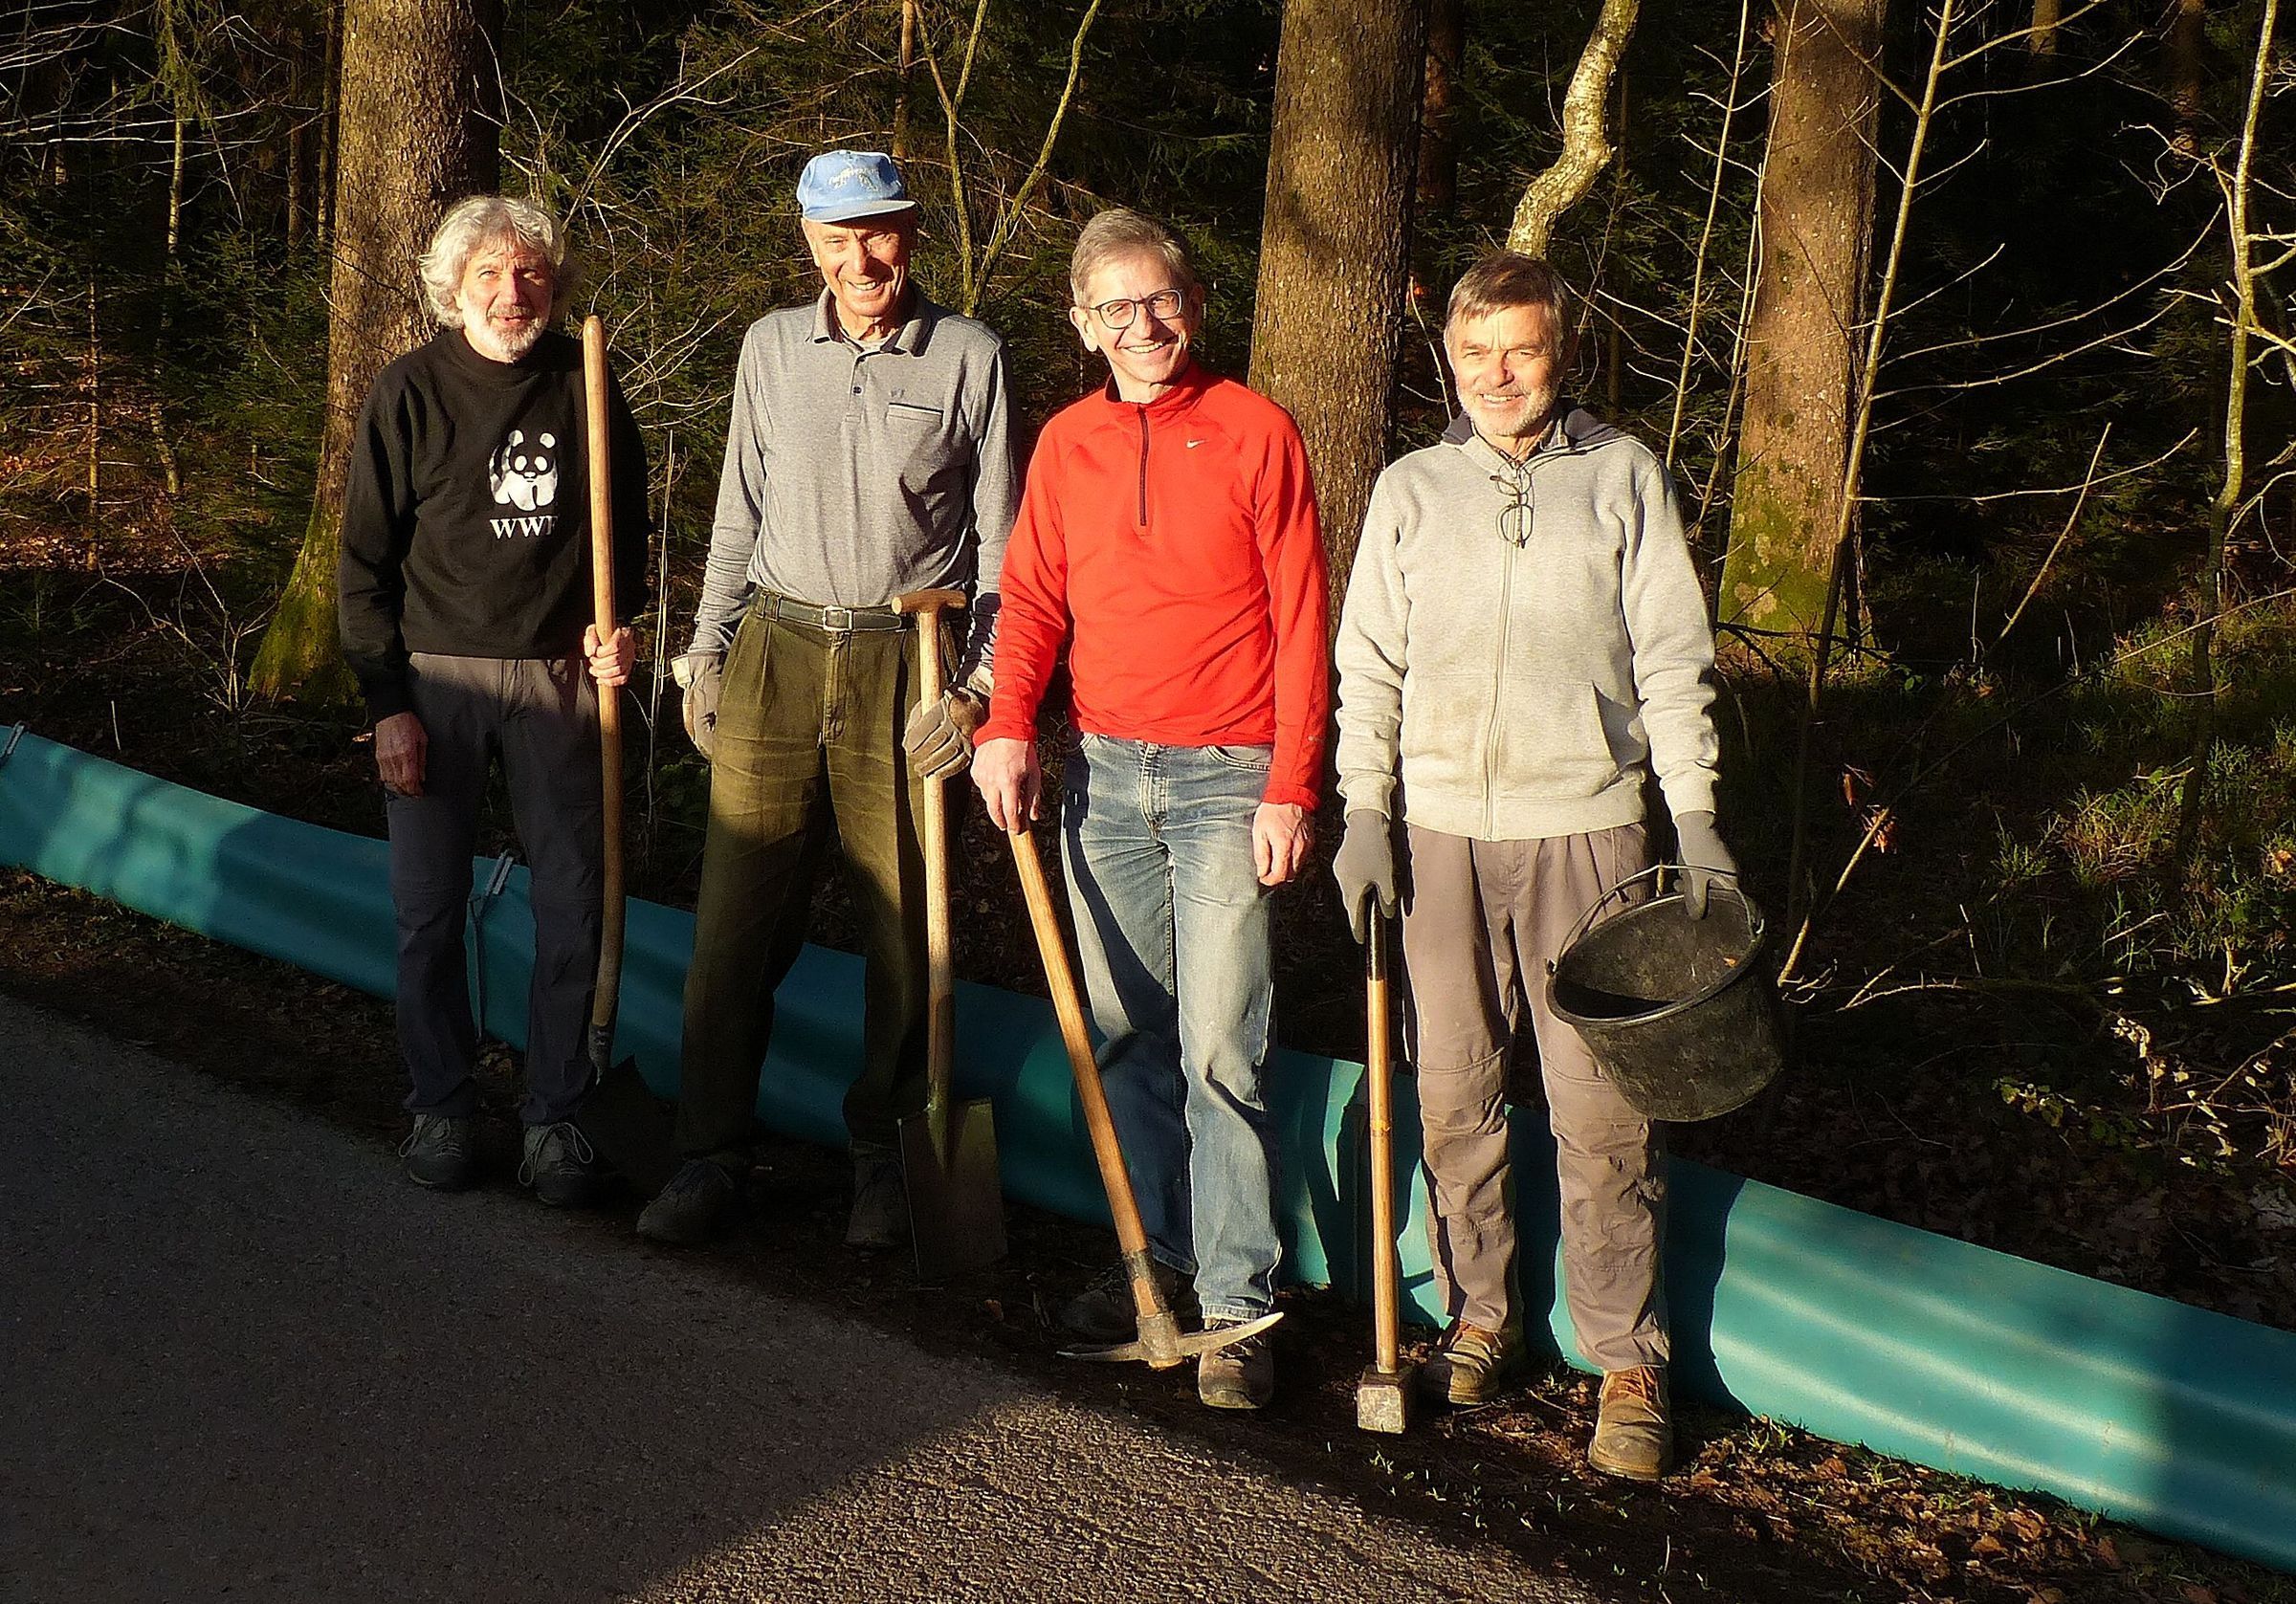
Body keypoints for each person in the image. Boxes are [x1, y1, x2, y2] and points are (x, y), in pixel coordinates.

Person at [1330, 252, 1736, 1481]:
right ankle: (1482, 1319)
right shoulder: (1411, 490)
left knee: (1602, 1109)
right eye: (1474, 353)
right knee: (1453, 1096)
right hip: (1442, 837)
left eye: (1522, 350)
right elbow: (1370, 667)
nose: (1497, 375)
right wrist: (1365, 813)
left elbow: (1673, 657)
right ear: (1448, 360)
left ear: (1563, 355)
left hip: (1591, 832)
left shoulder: (1622, 478)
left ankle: (1624, 1357)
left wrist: (1696, 815)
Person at [972, 208, 1329, 1410]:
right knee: (1128, 1033)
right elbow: (1029, 602)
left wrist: (1292, 782)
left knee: (1225, 1043)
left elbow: (1302, 623)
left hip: (1231, 771)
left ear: (1195, 303)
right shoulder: (1066, 444)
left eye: (1160, 300)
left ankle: (1238, 1302)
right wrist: (1007, 725)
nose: (1143, 325)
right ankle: (1154, 1260)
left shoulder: (1254, 430)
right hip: (1104, 779)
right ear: (1082, 325)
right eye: (1115, 308)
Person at [638, 150, 1016, 1250]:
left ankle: (884, 1165)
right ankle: (709, 1153)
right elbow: (735, 512)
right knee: (732, 929)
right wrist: (705, 651)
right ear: (808, 241)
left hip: (910, 664)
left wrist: (981, 684)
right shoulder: (769, 348)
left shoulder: (967, 357)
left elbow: (1002, 542)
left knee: (906, 931)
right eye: (837, 237)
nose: (862, 258)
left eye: (882, 232)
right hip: (775, 649)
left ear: (911, 232)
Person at [339, 194, 648, 1206]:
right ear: (454, 288)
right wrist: (388, 701)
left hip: (559, 680)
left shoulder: (588, 385)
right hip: (435, 680)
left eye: (530, 276)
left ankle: (555, 1118)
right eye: (490, 276)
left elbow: (629, 541)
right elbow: (363, 566)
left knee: (573, 905)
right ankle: (441, 1102)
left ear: (553, 286)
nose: (513, 294)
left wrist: (621, 629)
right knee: (428, 909)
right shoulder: (411, 390)